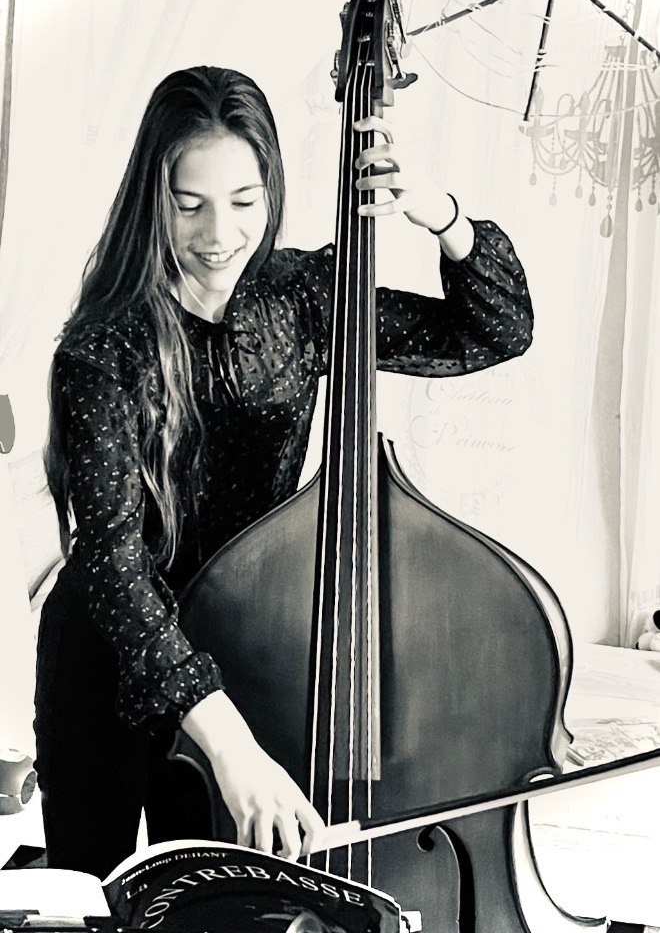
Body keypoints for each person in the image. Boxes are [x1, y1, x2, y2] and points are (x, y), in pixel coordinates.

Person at [36, 65, 533, 881]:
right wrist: (229, 744)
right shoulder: (102, 347)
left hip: (246, 647)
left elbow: (496, 331)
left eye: (244, 201)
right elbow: (114, 563)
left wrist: (439, 213)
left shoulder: (301, 297)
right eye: (188, 204)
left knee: (219, 903)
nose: (219, 233)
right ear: (151, 199)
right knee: (92, 891)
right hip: (111, 652)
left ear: (271, 190)